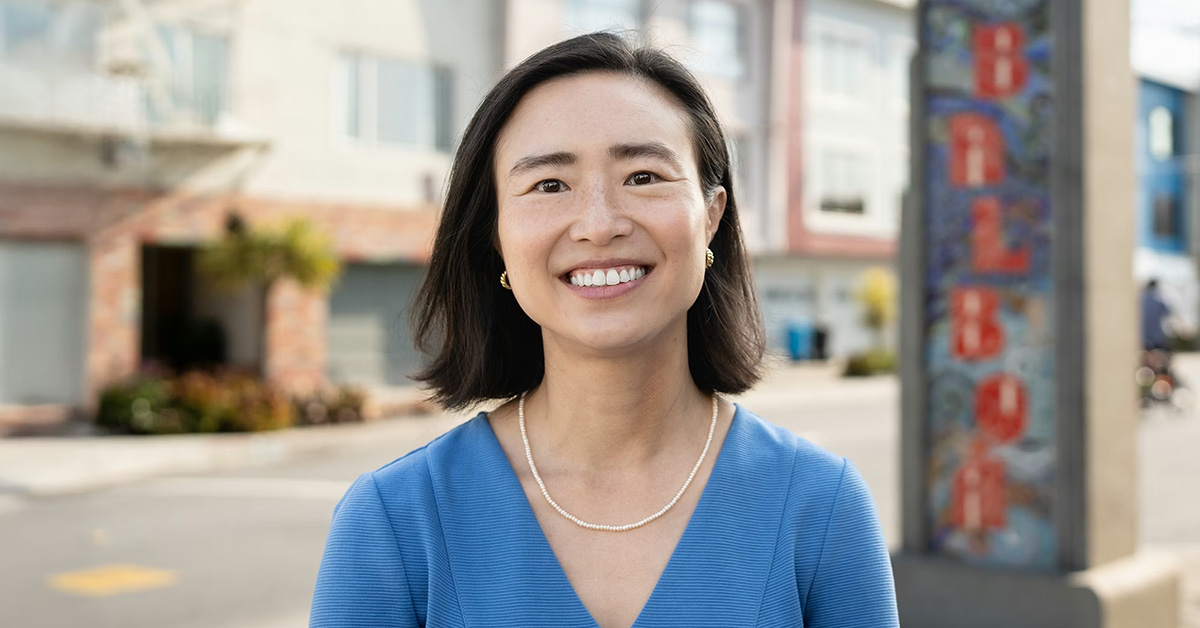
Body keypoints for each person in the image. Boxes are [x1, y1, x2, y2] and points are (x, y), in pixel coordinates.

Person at [310, 33, 898, 628]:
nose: (598, 224)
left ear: (712, 216)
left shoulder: (822, 508)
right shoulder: (395, 520)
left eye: (643, 176)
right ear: (497, 237)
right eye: (549, 185)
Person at [1141, 279, 1172, 352]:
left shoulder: (1141, 298)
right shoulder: (1158, 298)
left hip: (1142, 337)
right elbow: (1168, 312)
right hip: (1156, 338)